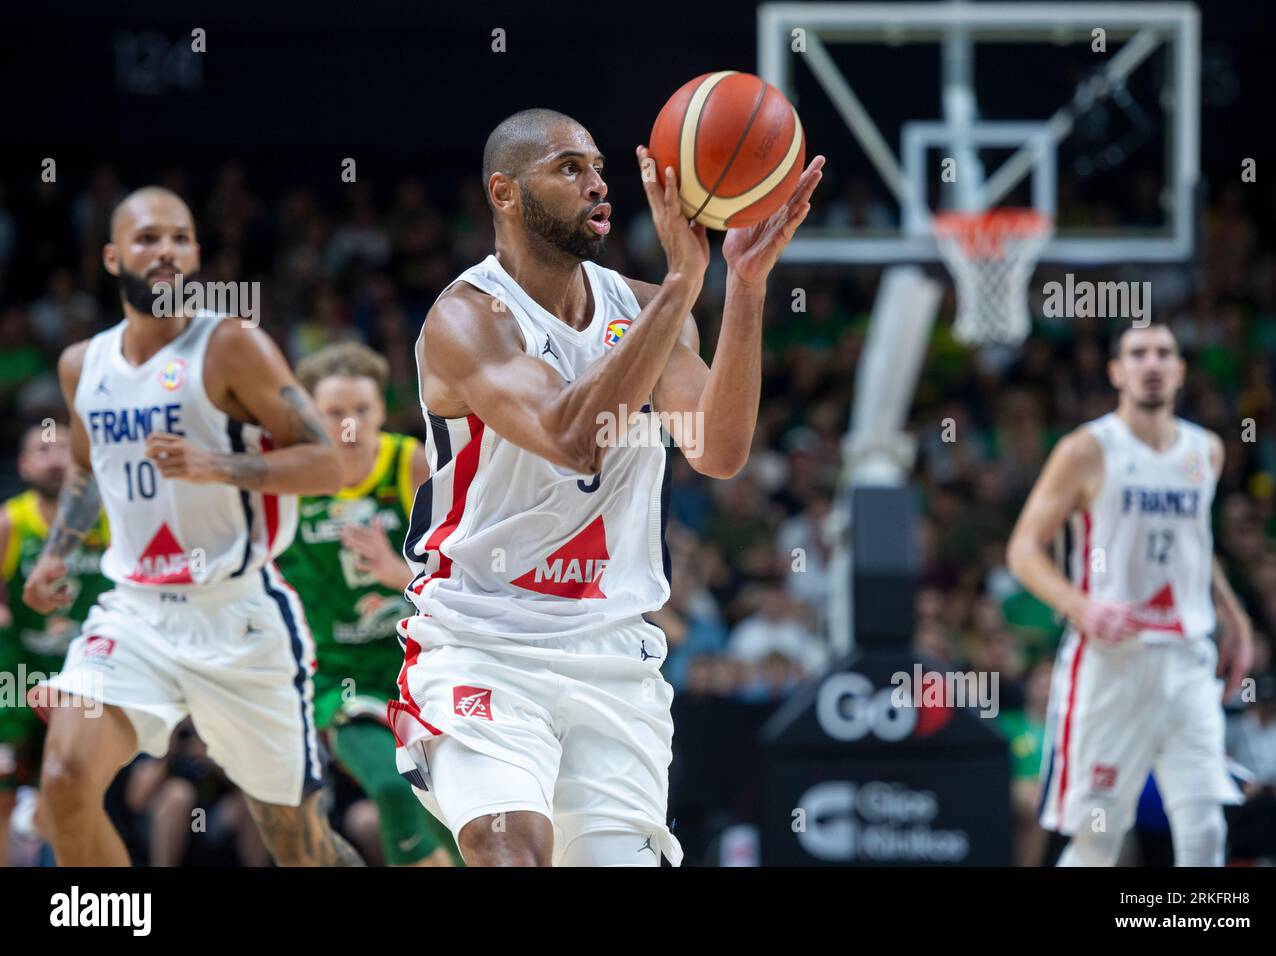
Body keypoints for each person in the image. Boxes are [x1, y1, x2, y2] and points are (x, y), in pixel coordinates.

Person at [388, 108, 824, 866]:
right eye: (567, 169)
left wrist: (743, 288)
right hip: (479, 639)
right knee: (508, 848)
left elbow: (717, 449)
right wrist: (685, 284)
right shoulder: (467, 320)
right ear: (505, 193)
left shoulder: (649, 308)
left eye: (596, 167)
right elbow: (570, 438)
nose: (597, 184)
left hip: (612, 651)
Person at [22, 186, 362, 865]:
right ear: (113, 255)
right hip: (136, 614)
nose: (166, 251)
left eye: (180, 238)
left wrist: (219, 466)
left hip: (238, 616)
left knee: (298, 842)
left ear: (197, 254)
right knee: (62, 781)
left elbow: (329, 462)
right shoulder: (82, 365)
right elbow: (88, 475)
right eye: (148, 239)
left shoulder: (232, 345)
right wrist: (56, 553)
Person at [1007, 323, 1254, 866]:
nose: (1152, 363)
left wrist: (1234, 615)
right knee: (1097, 838)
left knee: (1206, 828)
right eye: (1138, 353)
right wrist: (1081, 606)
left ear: (1180, 370)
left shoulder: (1204, 452)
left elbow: (1195, 542)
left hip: (1188, 657)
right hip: (1110, 661)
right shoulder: (1086, 449)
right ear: (1117, 372)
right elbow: (1023, 550)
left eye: (1164, 352)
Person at [276, 342, 458, 866]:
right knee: (394, 784)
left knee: (450, 804)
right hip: (339, 677)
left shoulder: (411, 464)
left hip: (420, 664)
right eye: (334, 412)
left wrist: (398, 573)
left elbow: (463, 578)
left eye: (362, 409)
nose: (350, 423)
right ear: (310, 414)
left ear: (382, 409)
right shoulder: (288, 480)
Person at [0, 422, 111, 864]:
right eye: (42, 450)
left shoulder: (107, 518)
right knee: (4, 784)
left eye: (64, 448)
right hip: (19, 666)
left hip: (85, 668)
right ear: (24, 465)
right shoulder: (11, 521)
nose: (55, 458)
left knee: (76, 782)